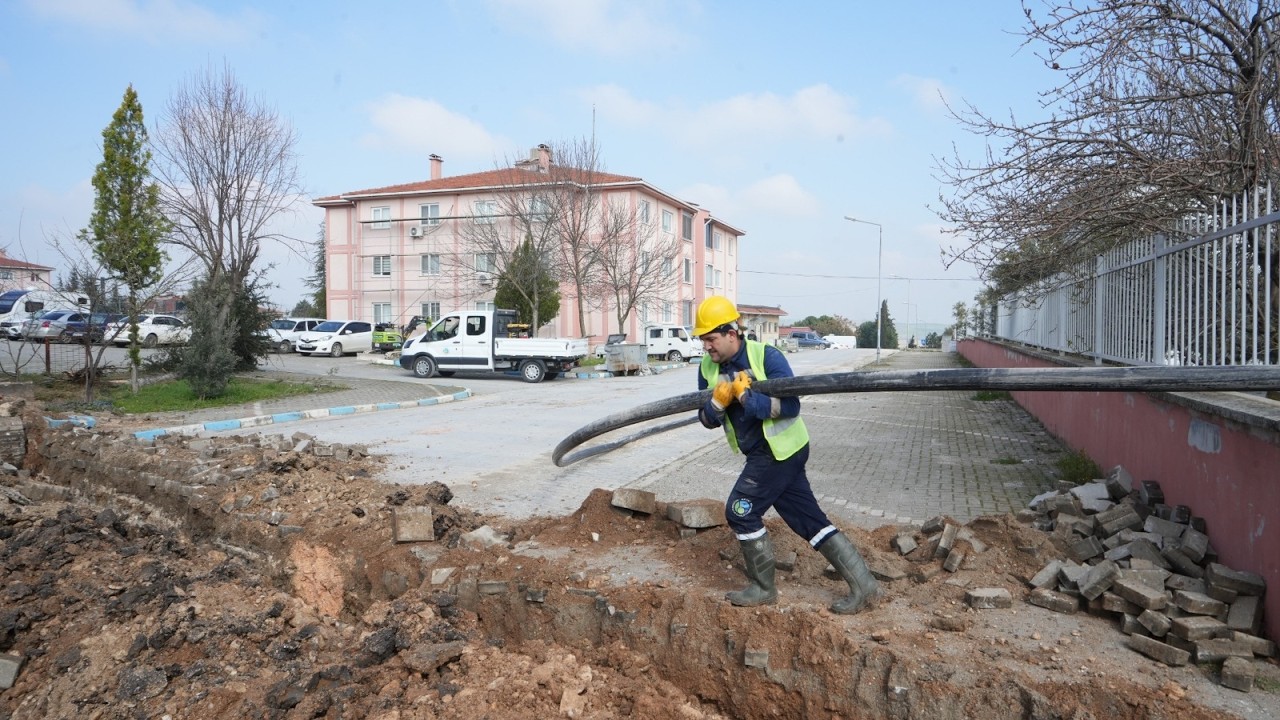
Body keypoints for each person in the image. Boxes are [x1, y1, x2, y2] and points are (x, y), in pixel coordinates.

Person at [693, 296, 880, 614]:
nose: (706, 346)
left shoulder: (766, 356)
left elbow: (791, 405)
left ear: (731, 333)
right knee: (807, 519)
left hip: (779, 451)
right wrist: (717, 404)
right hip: (761, 454)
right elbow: (706, 419)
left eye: (711, 339)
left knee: (740, 512)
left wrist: (748, 399)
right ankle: (865, 586)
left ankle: (763, 588)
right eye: (703, 340)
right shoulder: (707, 368)